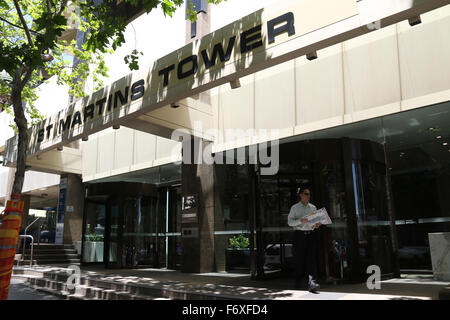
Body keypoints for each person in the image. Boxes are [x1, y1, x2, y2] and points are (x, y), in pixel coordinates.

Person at [288, 186, 321, 292]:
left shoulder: (313, 207)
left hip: (311, 234)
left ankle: (312, 282)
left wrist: (318, 224)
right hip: (299, 235)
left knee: (311, 259)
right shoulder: (295, 208)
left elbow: (315, 222)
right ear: (301, 195)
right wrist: (300, 221)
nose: (308, 196)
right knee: (299, 259)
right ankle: (298, 282)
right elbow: (290, 222)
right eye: (306, 194)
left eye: (309, 194)